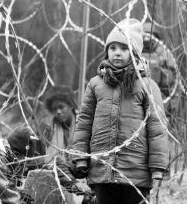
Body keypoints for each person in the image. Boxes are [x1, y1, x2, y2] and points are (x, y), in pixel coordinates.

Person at [71, 18, 170, 204]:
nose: (118, 53)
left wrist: (157, 167)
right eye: (113, 48)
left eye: (124, 49)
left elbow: (157, 128)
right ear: (107, 51)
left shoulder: (147, 86)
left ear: (135, 53)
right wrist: (81, 158)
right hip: (102, 169)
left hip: (136, 173)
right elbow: (84, 123)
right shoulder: (95, 85)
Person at [0, 126, 46, 204]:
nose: (24, 166)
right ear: (16, 154)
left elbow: (5, 186)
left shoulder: (1, 152)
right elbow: (8, 200)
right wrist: (19, 200)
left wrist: (19, 193)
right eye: (23, 161)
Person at [39, 85, 78, 156]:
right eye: (54, 109)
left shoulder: (84, 123)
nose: (58, 112)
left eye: (61, 107)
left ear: (71, 105)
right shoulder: (50, 129)